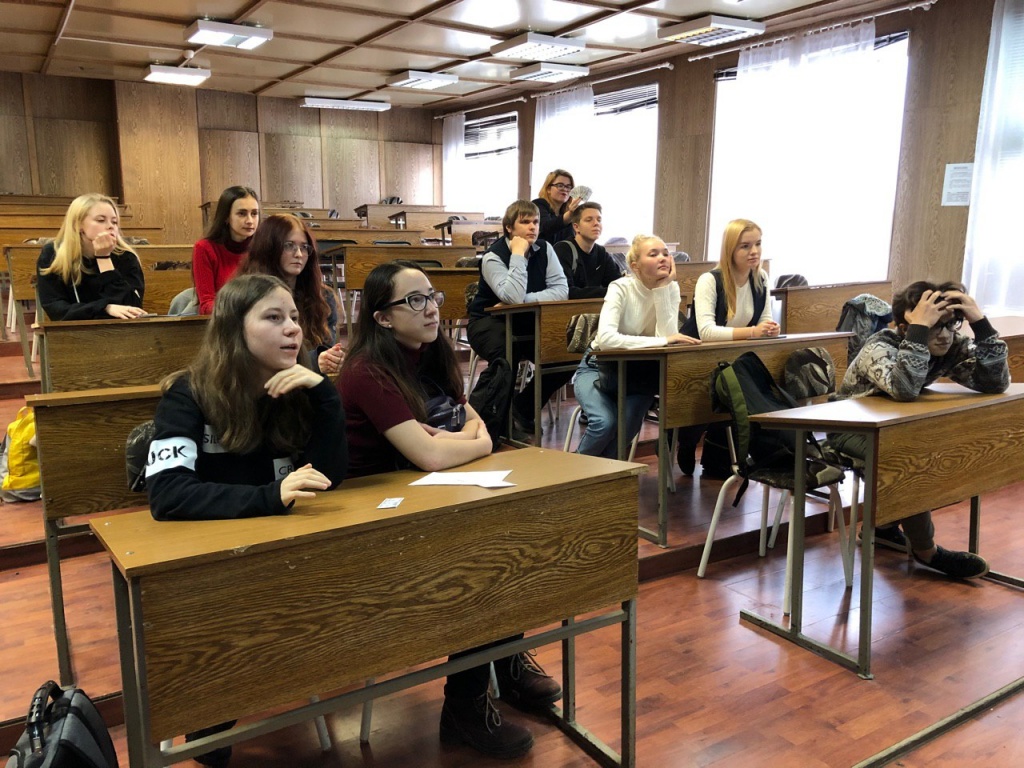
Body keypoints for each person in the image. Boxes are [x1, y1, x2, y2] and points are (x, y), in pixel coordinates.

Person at [339, 260, 560, 759]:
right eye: (414, 300)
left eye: (433, 296)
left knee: (507, 536)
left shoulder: (431, 352)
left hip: (426, 493)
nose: (431, 308)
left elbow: (472, 422)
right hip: (372, 515)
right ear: (382, 317)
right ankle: (465, 705)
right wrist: (470, 443)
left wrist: (463, 439)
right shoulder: (366, 372)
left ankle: (507, 662)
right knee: (479, 563)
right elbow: (432, 454)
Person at [146, 273, 346, 766]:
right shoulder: (188, 394)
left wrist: (325, 395)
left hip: (288, 556)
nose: (293, 329)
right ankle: (212, 714)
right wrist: (269, 496)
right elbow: (167, 494)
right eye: (274, 318)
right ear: (235, 328)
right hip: (213, 569)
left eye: (294, 317)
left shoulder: (297, 389)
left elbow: (329, 477)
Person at [828, 280, 1009, 579]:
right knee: (909, 458)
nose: (945, 335)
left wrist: (981, 324)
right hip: (849, 428)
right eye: (935, 326)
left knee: (937, 447)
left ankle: (884, 528)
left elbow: (994, 383)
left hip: (895, 427)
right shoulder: (880, 346)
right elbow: (905, 389)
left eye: (951, 325)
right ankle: (927, 552)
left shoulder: (949, 346)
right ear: (906, 327)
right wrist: (918, 332)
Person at [574, 235, 699, 458]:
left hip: (638, 373)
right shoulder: (620, 287)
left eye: (665, 253)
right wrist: (662, 341)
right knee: (604, 423)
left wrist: (662, 289)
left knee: (625, 432)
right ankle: (573, 475)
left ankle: (604, 474)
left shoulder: (670, 288)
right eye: (653, 254)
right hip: (597, 367)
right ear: (635, 266)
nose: (663, 258)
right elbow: (607, 340)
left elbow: (667, 339)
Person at [677, 218, 780, 475]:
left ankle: (719, 458)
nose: (754, 251)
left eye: (757, 244)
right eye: (745, 246)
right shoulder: (710, 280)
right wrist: (753, 332)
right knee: (702, 399)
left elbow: (764, 318)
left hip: (729, 356)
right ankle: (683, 441)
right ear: (730, 249)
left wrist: (769, 329)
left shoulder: (761, 278)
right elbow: (707, 332)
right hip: (693, 357)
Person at [466, 200, 570, 436]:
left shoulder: (545, 249)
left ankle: (522, 409)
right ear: (509, 227)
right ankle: (496, 425)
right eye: (525, 222)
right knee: (507, 352)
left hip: (528, 320)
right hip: (489, 321)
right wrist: (518, 254)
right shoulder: (493, 257)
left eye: (536, 222)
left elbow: (561, 290)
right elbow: (511, 295)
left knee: (563, 354)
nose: (532, 227)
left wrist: (524, 300)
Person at [237, 213, 344, 374]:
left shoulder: (323, 297)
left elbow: (326, 349)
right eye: (289, 246)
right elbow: (250, 360)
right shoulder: (247, 295)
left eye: (304, 247)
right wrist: (313, 363)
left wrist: (332, 359)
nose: (299, 254)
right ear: (269, 248)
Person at [36, 193, 146, 321]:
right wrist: (104, 308)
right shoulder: (53, 254)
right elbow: (56, 310)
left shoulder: (126, 257)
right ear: (78, 224)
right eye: (101, 220)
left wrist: (104, 258)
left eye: (114, 222)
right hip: (76, 331)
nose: (111, 226)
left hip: (123, 330)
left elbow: (132, 308)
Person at [193, 186, 259, 315]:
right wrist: (242, 311)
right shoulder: (204, 248)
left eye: (254, 213)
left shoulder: (263, 247)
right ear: (226, 217)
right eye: (242, 213)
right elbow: (206, 305)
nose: (250, 221)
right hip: (224, 320)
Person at [553, 202, 624, 299]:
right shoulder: (563, 250)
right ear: (576, 227)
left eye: (599, 220)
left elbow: (619, 285)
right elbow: (566, 291)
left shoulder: (601, 253)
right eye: (589, 220)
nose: (596, 223)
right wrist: (609, 292)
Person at [533, 169, 582, 245]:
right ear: (548, 189)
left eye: (568, 187)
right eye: (560, 185)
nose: (565, 189)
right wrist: (569, 214)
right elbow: (546, 227)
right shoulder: (538, 204)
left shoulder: (565, 212)